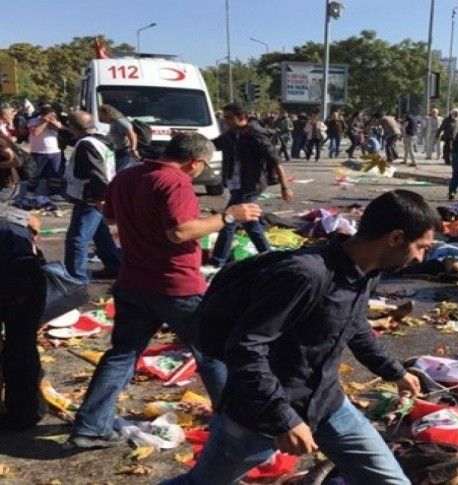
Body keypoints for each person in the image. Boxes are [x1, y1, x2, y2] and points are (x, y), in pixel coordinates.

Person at [163, 190, 439, 485]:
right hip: (261, 415)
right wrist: (284, 419)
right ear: (395, 238)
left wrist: (395, 372)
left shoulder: (367, 273)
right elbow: (246, 349)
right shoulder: (304, 275)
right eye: (421, 247)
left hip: (327, 403)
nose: (420, 258)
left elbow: (356, 327)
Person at [68, 133, 262, 449]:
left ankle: (90, 427)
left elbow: (110, 215)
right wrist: (228, 217)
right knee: (212, 352)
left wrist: (142, 220)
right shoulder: (176, 182)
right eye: (203, 166)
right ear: (195, 162)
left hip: (133, 282)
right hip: (176, 286)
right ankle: (233, 424)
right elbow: (180, 232)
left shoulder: (128, 175)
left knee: (122, 354)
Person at [208, 104, 293, 268]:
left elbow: (275, 161)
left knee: (229, 221)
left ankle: (217, 262)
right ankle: (268, 256)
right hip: (235, 184)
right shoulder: (231, 135)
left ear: (242, 118)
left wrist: (285, 186)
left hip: (250, 185)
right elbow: (212, 145)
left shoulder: (256, 135)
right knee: (250, 224)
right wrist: (188, 137)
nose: (225, 121)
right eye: (225, 117)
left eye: (229, 118)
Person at [0, 210, 46, 431]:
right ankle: (25, 410)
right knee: (21, 347)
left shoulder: (10, 226)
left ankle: (24, 411)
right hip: (23, 283)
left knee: (20, 349)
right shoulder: (14, 221)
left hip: (20, 284)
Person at [63, 111, 122, 282]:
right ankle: (115, 267)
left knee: (77, 238)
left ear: (72, 127)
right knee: (101, 235)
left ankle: (76, 278)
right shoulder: (101, 139)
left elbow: (96, 173)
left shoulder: (86, 144)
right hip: (98, 194)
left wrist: (99, 197)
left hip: (90, 197)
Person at [27, 106, 65, 197]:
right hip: (38, 152)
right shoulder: (33, 121)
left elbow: (60, 129)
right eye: (50, 116)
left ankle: (54, 193)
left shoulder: (56, 122)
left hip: (55, 152)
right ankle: (30, 193)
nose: (52, 118)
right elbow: (36, 133)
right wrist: (44, 121)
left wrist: (52, 121)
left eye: (54, 116)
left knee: (56, 173)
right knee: (35, 174)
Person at [98, 104, 139, 171]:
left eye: (101, 114)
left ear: (106, 113)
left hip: (125, 152)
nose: (100, 116)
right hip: (117, 152)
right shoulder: (112, 122)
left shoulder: (120, 121)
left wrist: (133, 150)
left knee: (121, 172)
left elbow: (132, 135)